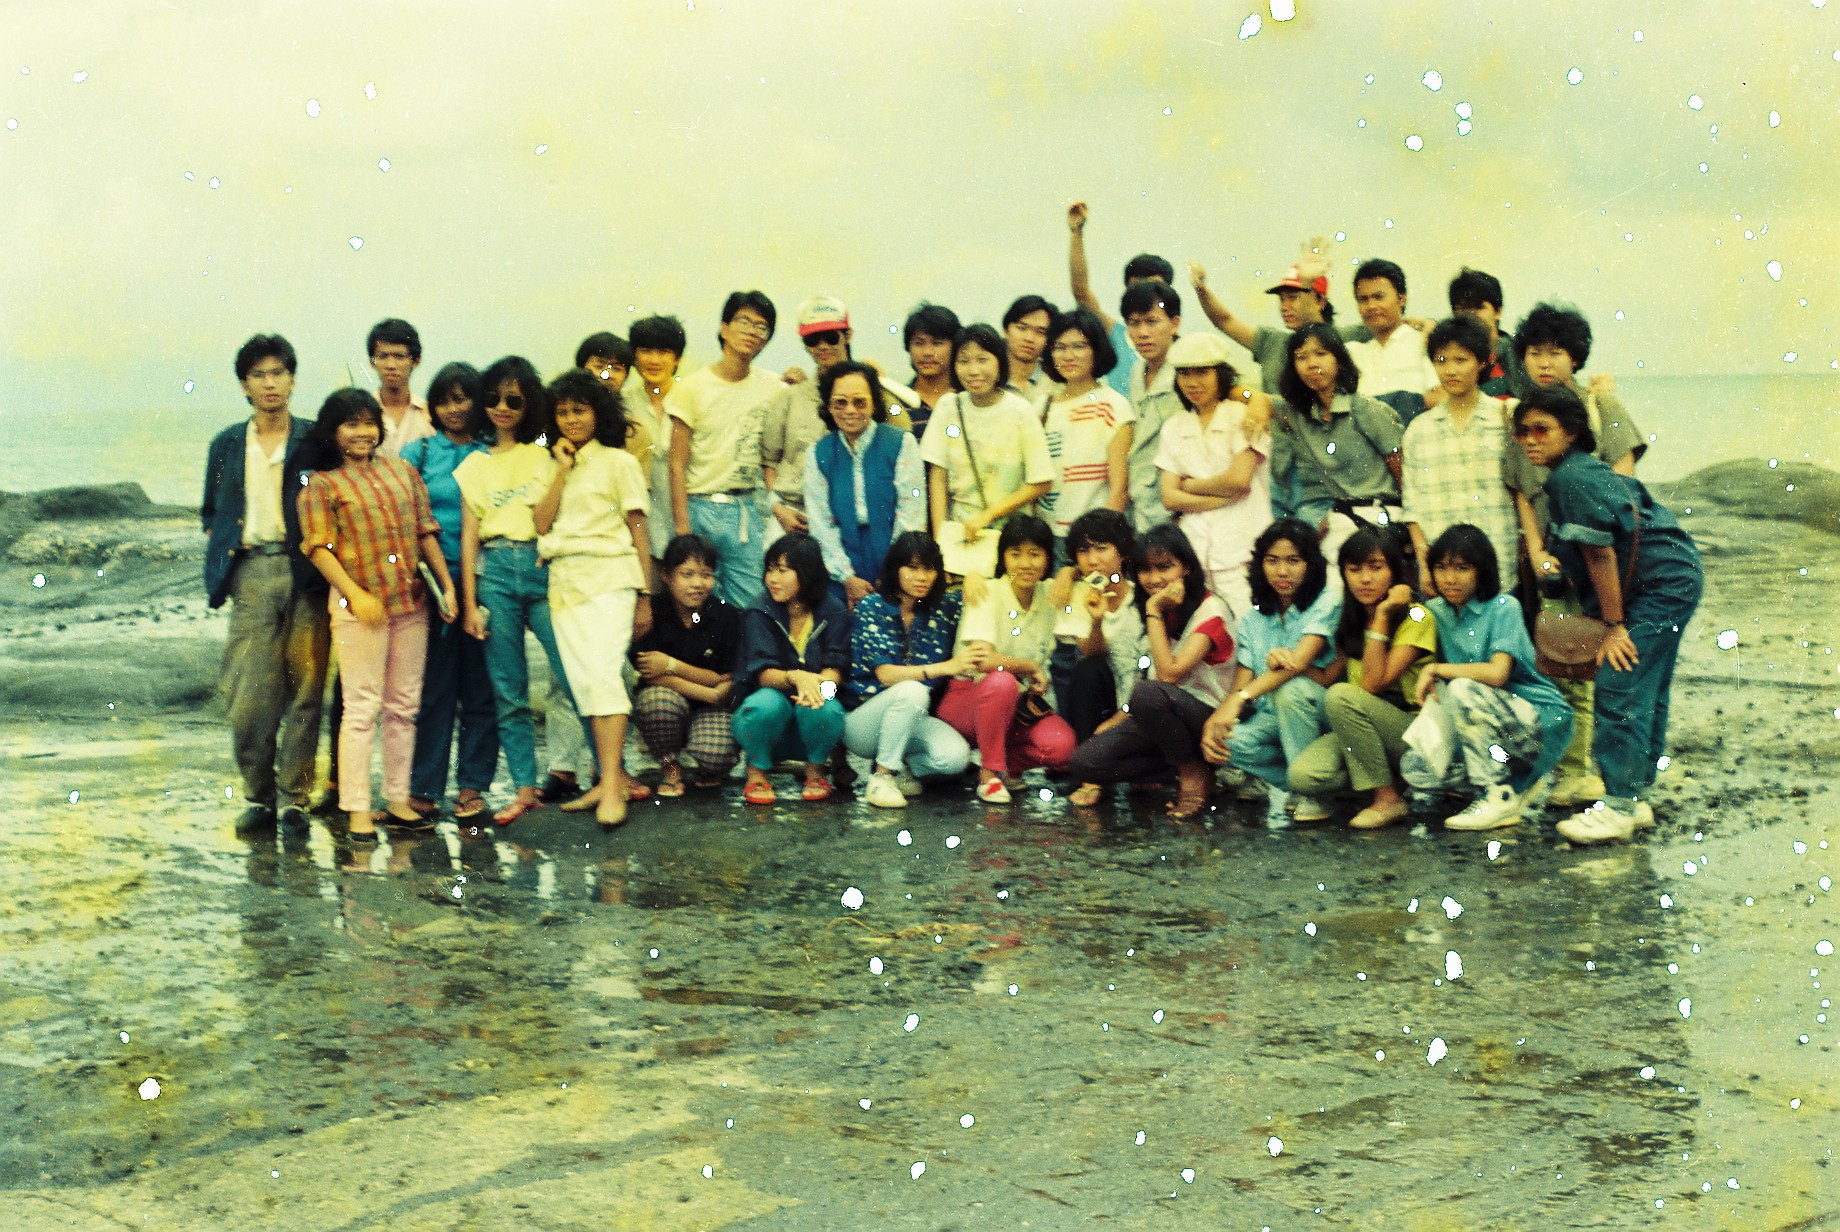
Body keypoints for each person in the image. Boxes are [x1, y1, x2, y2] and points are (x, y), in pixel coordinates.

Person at [1513, 387, 1702, 844]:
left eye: (1542, 429)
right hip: (1674, 577)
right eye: (1522, 431)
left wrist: (1614, 627)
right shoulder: (1581, 473)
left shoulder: (1572, 480)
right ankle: (1633, 799)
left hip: (1658, 586)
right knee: (1645, 686)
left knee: (1619, 682)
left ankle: (1618, 806)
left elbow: (1600, 555)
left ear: (1572, 433)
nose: (1530, 440)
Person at [1502, 302, 1647, 809]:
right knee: (1554, 658)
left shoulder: (1599, 404)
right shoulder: (1523, 415)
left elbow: (1624, 480)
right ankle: (1572, 768)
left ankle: (1592, 772)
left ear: (1576, 357)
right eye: (1535, 353)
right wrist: (1537, 549)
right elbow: (1521, 489)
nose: (1546, 362)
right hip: (1547, 558)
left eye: (1556, 352)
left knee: (1593, 658)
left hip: (1596, 554)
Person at [297, 388, 456, 840]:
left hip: (410, 603)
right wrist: (354, 595)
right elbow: (318, 548)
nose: (363, 432)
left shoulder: (402, 470)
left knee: (404, 706)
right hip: (358, 609)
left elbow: (426, 531)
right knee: (361, 709)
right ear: (333, 432)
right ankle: (357, 812)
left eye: (369, 422)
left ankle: (399, 801)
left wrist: (446, 586)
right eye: (351, 424)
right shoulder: (321, 484)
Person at [201, 334, 330, 831]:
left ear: (293, 380)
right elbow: (213, 512)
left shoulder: (314, 438)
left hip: (307, 569)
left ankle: (294, 799)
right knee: (248, 696)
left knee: (307, 688)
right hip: (252, 571)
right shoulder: (227, 443)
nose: (270, 382)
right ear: (244, 385)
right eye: (259, 374)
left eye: (278, 373)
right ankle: (259, 796)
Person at [454, 356, 576, 827]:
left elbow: (553, 516)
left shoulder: (547, 454)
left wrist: (562, 471)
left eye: (514, 400)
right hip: (496, 575)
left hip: (544, 567)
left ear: (530, 403)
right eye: (494, 399)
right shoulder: (474, 464)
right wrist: (470, 604)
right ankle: (525, 788)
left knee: (574, 674)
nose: (502, 408)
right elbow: (469, 539)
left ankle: (611, 773)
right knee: (509, 690)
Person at [531, 370, 653, 828]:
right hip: (565, 580)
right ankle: (605, 781)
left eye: (579, 410)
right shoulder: (551, 463)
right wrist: (561, 469)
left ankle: (614, 786)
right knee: (583, 683)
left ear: (597, 413)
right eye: (562, 411)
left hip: (611, 578)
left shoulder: (619, 462)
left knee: (603, 676)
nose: (570, 419)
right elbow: (541, 525)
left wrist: (645, 594)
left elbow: (638, 529)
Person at [1401, 524, 1572, 831]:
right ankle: (1521, 784)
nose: (1449, 578)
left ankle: (1496, 795)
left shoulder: (1504, 606)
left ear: (1482, 570)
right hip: (1489, 722)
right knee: (1415, 768)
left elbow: (1497, 673)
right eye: (1440, 567)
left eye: (1462, 568)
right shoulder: (1436, 610)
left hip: (1536, 718)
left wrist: (1438, 669)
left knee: (1464, 688)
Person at [1066, 523, 1239, 819]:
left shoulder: (1210, 611)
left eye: (1165, 567)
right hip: (1166, 715)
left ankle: (1192, 773)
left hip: (1209, 715)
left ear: (1185, 567)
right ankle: (1187, 763)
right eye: (1146, 570)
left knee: (1146, 694)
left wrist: (1155, 611)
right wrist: (1120, 719)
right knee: (1085, 762)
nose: (1154, 578)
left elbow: (1170, 674)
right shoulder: (1159, 606)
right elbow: (1147, 671)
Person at [1287, 526, 1437, 829]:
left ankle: (1387, 799)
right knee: (1302, 777)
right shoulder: (1351, 615)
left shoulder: (1418, 614)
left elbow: (1371, 684)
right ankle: (1388, 777)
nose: (1365, 579)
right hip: (1363, 725)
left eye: (1376, 568)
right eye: (1354, 569)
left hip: (1414, 730)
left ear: (1395, 571)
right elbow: (1329, 677)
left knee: (1343, 697)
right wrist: (1291, 662)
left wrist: (1382, 616)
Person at [400, 363, 498, 821]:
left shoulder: (494, 452)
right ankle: (423, 787)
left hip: (485, 583)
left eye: (464, 398)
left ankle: (473, 787)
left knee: (482, 687)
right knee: (434, 689)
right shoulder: (417, 453)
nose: (455, 409)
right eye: (445, 400)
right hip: (432, 585)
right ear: (433, 406)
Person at [1199, 519, 1340, 827]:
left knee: (1292, 690)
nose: (1282, 571)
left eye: (1293, 561)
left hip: (1318, 713)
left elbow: (1298, 663)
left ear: (1310, 564)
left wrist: (1242, 698)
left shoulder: (1327, 601)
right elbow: (1242, 683)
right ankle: (1295, 783)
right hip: (1274, 716)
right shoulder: (1253, 619)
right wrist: (1217, 719)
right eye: (1272, 561)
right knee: (1228, 740)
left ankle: (1313, 794)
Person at [936, 515, 1076, 803]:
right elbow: (982, 660)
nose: (1025, 563)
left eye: (1035, 554)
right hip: (967, 700)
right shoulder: (986, 590)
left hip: (1013, 706)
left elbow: (1088, 580)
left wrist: (1069, 573)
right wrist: (1030, 667)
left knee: (1062, 747)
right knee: (1002, 681)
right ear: (1003, 558)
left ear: (1048, 559)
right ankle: (990, 775)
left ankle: (1005, 764)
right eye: (1015, 554)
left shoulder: (1050, 594)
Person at [763, 296, 915, 541]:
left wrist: (881, 389)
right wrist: (778, 508)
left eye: (831, 337)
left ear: (848, 335)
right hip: (793, 516)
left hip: (854, 520)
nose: (823, 346)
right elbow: (769, 462)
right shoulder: (790, 397)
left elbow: (902, 427)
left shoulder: (873, 393)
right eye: (813, 340)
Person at [844, 533, 975, 809]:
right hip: (863, 721)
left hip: (912, 717)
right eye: (912, 568)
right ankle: (881, 778)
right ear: (895, 569)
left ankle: (901, 768)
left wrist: (974, 577)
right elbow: (886, 675)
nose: (922, 577)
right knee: (913, 689)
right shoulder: (873, 606)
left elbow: (976, 597)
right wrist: (946, 667)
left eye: (929, 568)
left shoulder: (943, 609)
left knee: (954, 758)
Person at [668, 290, 781, 608]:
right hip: (699, 508)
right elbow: (676, 464)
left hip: (745, 511)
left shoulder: (774, 387)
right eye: (744, 321)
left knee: (751, 603)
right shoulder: (691, 388)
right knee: (699, 605)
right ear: (724, 327)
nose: (752, 331)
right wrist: (682, 530)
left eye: (762, 327)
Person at [1155, 331, 1273, 618]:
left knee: (1247, 633)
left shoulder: (1240, 415)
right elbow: (1169, 497)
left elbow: (1238, 480)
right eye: (1184, 374)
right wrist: (1220, 499)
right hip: (1194, 556)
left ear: (1220, 374)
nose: (1193, 382)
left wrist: (1191, 486)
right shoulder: (1174, 426)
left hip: (1244, 551)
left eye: (1202, 372)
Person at [919, 323, 1053, 573]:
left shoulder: (1019, 410)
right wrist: (940, 543)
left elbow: (1042, 481)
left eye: (982, 359)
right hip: (961, 538)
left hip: (1012, 541)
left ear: (999, 361)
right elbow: (937, 478)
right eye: (964, 361)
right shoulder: (949, 406)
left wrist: (987, 516)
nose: (973, 370)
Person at [1271, 323, 1404, 568]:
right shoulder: (1302, 415)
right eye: (1301, 357)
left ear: (1339, 361)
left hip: (1381, 516)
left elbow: (1402, 472)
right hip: (1341, 517)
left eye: (1321, 354)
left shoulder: (1364, 409)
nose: (1311, 364)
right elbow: (1248, 396)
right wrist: (1250, 400)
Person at [731, 532, 851, 804]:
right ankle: (757, 772)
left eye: (782, 571)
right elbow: (762, 674)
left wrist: (818, 688)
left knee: (828, 704)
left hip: (811, 705)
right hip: (765, 714)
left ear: (807, 573)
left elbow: (837, 669)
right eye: (770, 570)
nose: (772, 579)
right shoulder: (758, 611)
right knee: (765, 705)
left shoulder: (833, 610)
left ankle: (816, 771)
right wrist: (798, 677)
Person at [1401, 315, 1520, 588]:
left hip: (1498, 564)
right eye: (1441, 360)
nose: (1450, 370)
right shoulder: (1419, 430)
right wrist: (1424, 564)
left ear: (1482, 362)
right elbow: (1412, 507)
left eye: (1461, 360)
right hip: (1444, 572)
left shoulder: (1506, 416)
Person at [803, 360, 926, 605]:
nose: (850, 410)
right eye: (840, 402)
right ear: (829, 406)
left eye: (859, 402)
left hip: (896, 559)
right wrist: (846, 577)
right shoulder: (818, 453)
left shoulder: (901, 443)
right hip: (839, 565)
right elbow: (820, 524)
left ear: (873, 403)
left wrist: (892, 572)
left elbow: (911, 515)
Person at [630, 534, 740, 797]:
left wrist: (670, 665)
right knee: (655, 702)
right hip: (673, 701)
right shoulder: (651, 613)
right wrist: (711, 687)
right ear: (667, 576)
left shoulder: (727, 615)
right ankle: (670, 767)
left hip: (710, 709)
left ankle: (709, 768)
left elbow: (726, 679)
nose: (697, 584)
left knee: (717, 754)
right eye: (687, 574)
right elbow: (650, 675)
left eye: (706, 575)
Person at [1038, 308, 1133, 556]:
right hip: (1048, 537)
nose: (1068, 356)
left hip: (1092, 542)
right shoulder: (1043, 406)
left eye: (1079, 346)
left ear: (1096, 349)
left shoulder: (1114, 405)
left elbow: (1119, 488)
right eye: (1060, 347)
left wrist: (1100, 545)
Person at [1052, 509, 1144, 752]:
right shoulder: (1077, 596)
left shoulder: (1142, 597)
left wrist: (1124, 716)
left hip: (1141, 703)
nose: (1092, 560)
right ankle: (1089, 766)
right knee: (1088, 669)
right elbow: (1092, 652)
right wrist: (1096, 621)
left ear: (1122, 553)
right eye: (1083, 551)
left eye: (1101, 549)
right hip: (1103, 702)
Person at [1064, 200, 1175, 398]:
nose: (1145, 295)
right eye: (1137, 288)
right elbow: (1081, 292)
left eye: (1154, 288)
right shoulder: (1113, 334)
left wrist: (1248, 396)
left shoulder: (1185, 350)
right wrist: (1076, 233)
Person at [1119, 280, 1185, 535]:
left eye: (1152, 321)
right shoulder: (1137, 371)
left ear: (1174, 323)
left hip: (1177, 512)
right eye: (1134, 323)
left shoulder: (1190, 368)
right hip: (1140, 511)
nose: (1143, 333)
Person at [624, 315, 688, 562]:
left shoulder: (691, 398)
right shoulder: (623, 403)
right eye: (645, 351)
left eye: (664, 351)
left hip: (687, 520)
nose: (654, 360)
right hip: (643, 525)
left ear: (677, 358)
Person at [1345, 259, 1440, 425]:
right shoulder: (1354, 352)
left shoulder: (1423, 342)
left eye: (1378, 297)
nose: (1371, 306)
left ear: (1401, 298)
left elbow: (1443, 396)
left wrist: (1404, 403)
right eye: (1363, 299)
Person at [1446, 268, 1526, 398]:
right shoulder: (1445, 353)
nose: (1470, 315)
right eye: (1462, 309)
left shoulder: (1519, 353)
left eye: (1478, 307)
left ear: (1498, 312)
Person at [368, 318, 433, 458]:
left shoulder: (430, 416)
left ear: (416, 361)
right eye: (383, 356)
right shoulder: (363, 414)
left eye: (399, 356)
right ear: (372, 362)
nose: (391, 365)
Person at [902, 302, 961, 438]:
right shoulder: (897, 404)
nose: (927, 352)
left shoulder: (969, 399)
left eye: (937, 343)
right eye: (919, 343)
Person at [1001, 293, 1058, 406]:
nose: (1029, 338)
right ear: (1005, 331)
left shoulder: (1056, 383)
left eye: (1040, 332)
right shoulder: (989, 380)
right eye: (1022, 328)